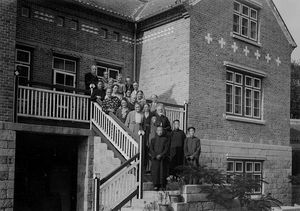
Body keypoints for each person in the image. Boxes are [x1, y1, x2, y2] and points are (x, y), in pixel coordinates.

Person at [150, 126, 170, 190]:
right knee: (155, 172)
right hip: (155, 159)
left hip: (162, 159)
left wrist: (161, 155)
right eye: (158, 130)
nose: (160, 132)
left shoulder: (165, 139)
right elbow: (151, 149)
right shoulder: (153, 140)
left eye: (161, 130)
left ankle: (163, 185)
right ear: (156, 131)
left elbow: (166, 149)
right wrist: (155, 155)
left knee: (162, 172)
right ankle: (156, 185)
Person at [142, 103, 153, 172]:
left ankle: (149, 168)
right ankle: (143, 167)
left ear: (149, 107)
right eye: (145, 107)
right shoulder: (141, 114)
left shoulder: (151, 115)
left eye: (147, 107)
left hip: (149, 132)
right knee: (143, 149)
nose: (146, 108)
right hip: (143, 133)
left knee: (149, 149)